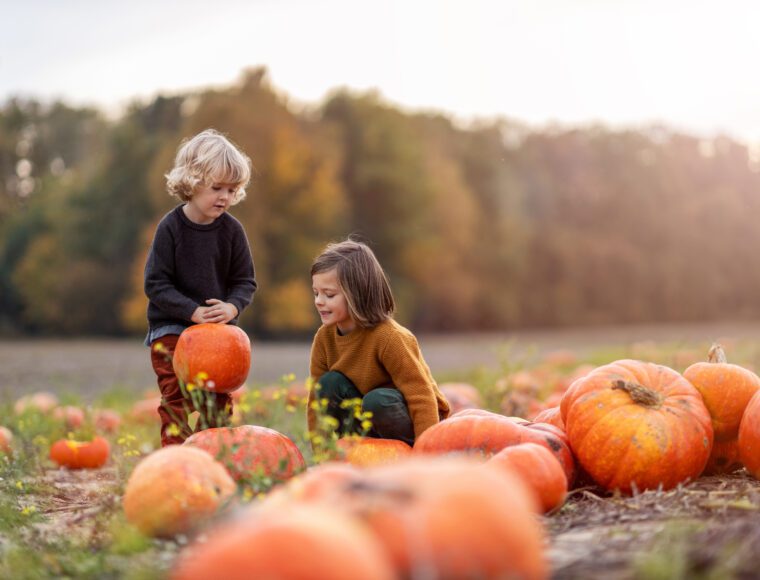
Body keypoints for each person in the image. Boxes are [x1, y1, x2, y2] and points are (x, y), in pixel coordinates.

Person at [144, 129, 257, 446]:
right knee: (175, 394)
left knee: (217, 401)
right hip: (171, 327)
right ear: (192, 183)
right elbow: (155, 283)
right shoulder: (171, 228)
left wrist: (232, 307)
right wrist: (191, 311)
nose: (225, 196)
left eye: (233, 189)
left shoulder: (233, 231)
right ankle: (175, 457)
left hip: (218, 334)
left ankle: (212, 452)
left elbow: (245, 280)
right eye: (217, 187)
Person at [307, 239, 449, 447]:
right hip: (367, 422)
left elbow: (421, 396)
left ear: (357, 294)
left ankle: (406, 450)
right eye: (316, 293)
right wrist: (321, 452)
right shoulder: (324, 338)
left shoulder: (390, 337)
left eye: (329, 295)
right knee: (328, 385)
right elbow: (317, 401)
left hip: (408, 420)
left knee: (377, 401)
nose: (319, 301)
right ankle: (359, 448)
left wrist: (427, 450)